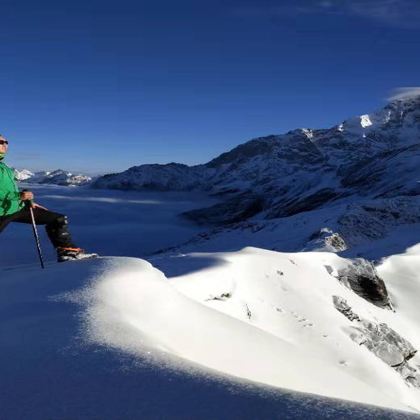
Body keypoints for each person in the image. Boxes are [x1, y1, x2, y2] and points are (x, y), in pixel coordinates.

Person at [0, 134, 97, 262]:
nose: (5, 144)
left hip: (16, 209)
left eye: (6, 142)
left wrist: (27, 201)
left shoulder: (5, 167)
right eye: (1, 141)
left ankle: (68, 252)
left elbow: (8, 189)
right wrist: (18, 196)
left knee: (57, 219)